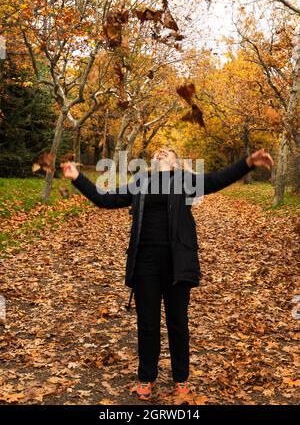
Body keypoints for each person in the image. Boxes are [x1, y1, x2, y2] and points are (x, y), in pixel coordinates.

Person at [61, 147, 274, 400]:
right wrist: (77, 177)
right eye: (159, 150)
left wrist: (248, 162)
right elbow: (105, 199)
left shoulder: (186, 181)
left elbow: (218, 180)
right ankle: (146, 377)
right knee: (147, 323)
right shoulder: (140, 182)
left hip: (178, 262)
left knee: (178, 322)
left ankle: (181, 378)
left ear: (176, 163)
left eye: (169, 151)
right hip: (145, 264)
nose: (162, 151)